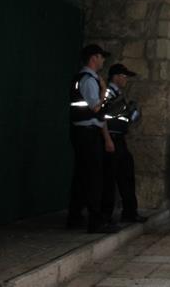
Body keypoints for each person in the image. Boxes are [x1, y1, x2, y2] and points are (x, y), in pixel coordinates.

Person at [67, 44, 119, 233]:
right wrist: (104, 91)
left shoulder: (84, 78)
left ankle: (75, 217)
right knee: (93, 177)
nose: (103, 60)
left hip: (84, 132)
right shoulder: (89, 80)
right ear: (93, 58)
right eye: (101, 56)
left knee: (82, 176)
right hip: (87, 133)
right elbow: (97, 108)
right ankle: (95, 221)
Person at [101, 64, 146, 224]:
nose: (126, 80)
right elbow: (102, 116)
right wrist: (107, 139)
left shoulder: (120, 94)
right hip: (111, 138)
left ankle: (130, 212)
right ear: (115, 77)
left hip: (120, 138)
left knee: (126, 174)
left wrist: (133, 113)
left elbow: (123, 117)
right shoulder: (107, 93)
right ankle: (105, 216)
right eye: (124, 76)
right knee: (108, 178)